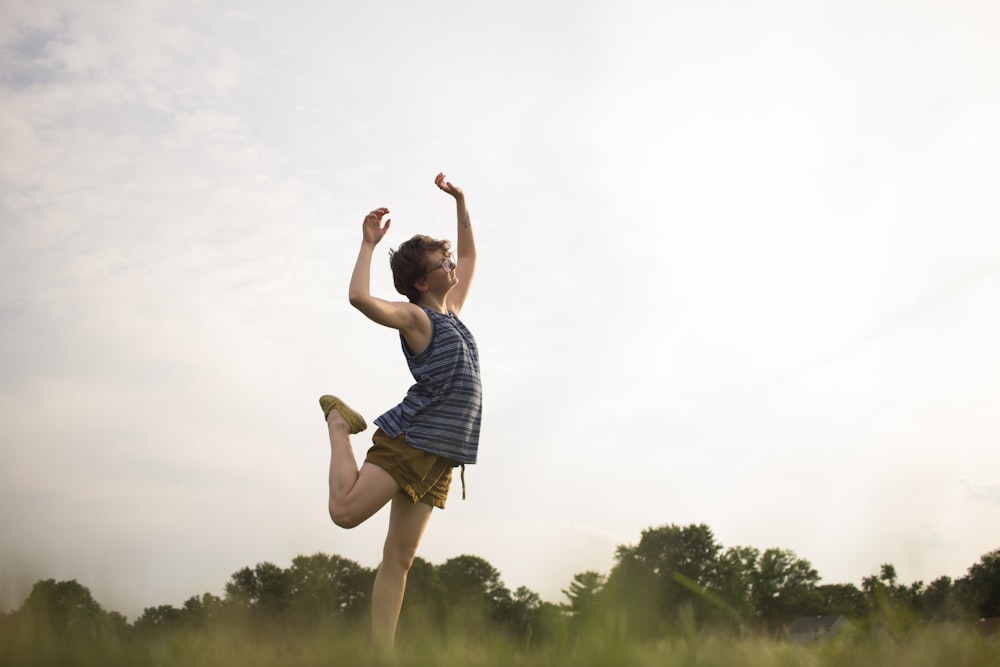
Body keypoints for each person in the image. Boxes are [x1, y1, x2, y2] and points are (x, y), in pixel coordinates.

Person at [319, 172, 481, 649]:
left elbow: (470, 255)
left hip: (441, 454)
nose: (451, 264)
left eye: (447, 258)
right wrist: (368, 244)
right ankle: (336, 423)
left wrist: (462, 200)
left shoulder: (452, 309)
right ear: (419, 280)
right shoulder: (418, 317)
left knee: (400, 557)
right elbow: (359, 299)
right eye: (440, 262)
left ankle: (380, 653)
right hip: (414, 438)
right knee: (345, 512)